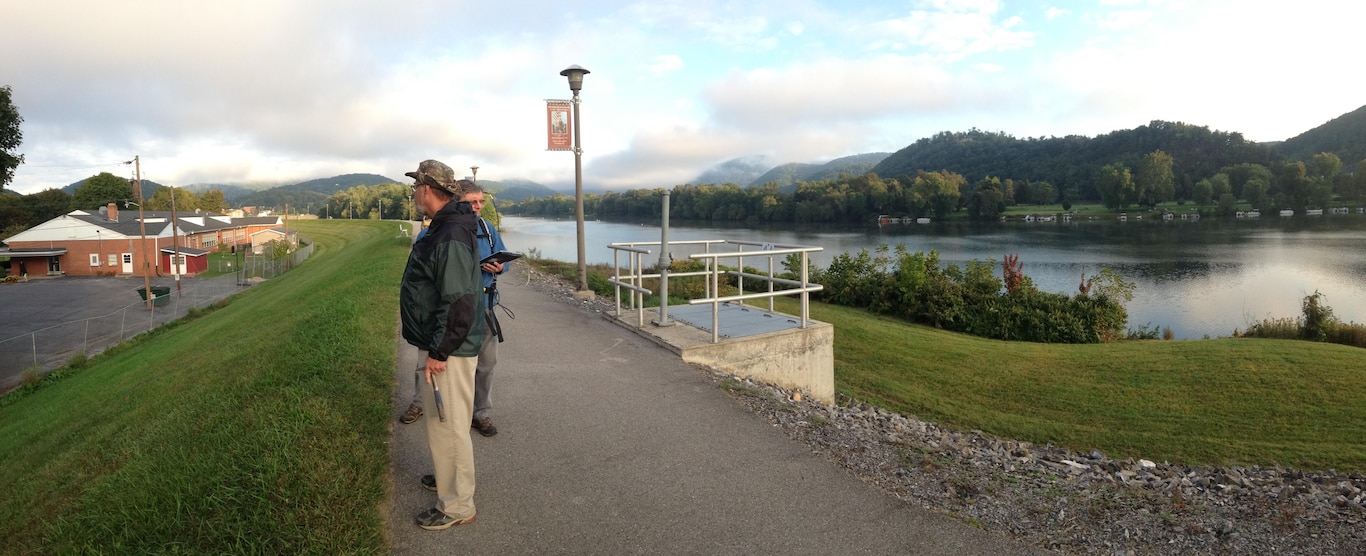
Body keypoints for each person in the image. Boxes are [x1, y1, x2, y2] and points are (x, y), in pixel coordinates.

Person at [399, 159, 486, 531]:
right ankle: (448, 475)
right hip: (446, 342)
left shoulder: (449, 232)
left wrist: (438, 352)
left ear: (428, 189)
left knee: (448, 424)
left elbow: (458, 301)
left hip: (449, 347)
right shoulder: (446, 226)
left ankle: (456, 505)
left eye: (415, 186)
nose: (414, 193)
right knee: (446, 420)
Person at [462, 184, 509, 436]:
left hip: (487, 306)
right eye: (472, 202)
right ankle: (454, 414)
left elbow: (502, 259)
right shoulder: (443, 229)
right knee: (454, 365)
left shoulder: (487, 229)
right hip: (457, 309)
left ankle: (481, 414)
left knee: (487, 364)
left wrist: (500, 267)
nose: (478, 207)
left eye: (480, 201)